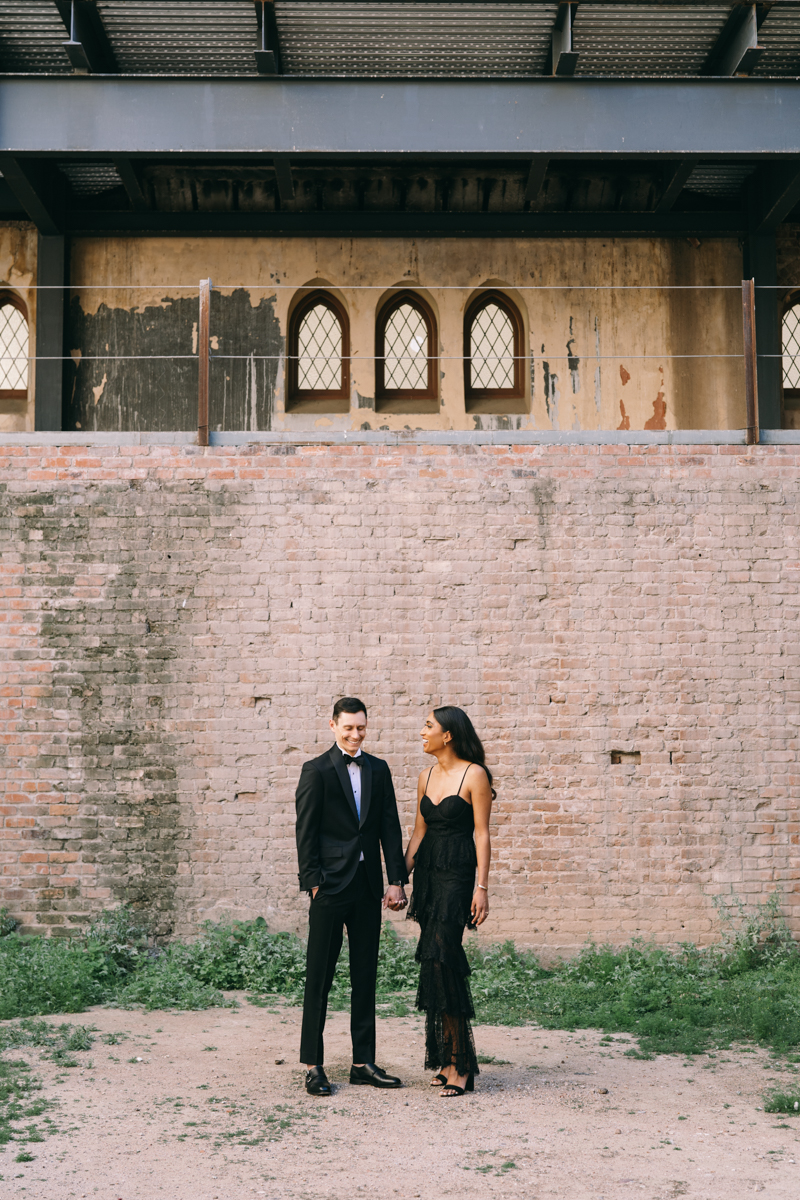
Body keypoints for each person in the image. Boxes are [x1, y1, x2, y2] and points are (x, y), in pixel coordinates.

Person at [295, 697, 409, 1096]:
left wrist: (396, 879)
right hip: (328, 888)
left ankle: (363, 1062)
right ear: (333, 726)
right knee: (319, 979)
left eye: (361, 727)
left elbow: (390, 827)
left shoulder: (378, 769)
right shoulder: (317, 770)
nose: (355, 734)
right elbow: (305, 832)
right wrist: (313, 883)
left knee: (365, 977)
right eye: (348, 728)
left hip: (366, 886)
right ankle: (313, 1065)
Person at [405, 706, 494, 1098]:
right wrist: (395, 880)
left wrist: (482, 887)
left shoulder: (474, 774)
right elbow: (418, 833)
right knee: (432, 964)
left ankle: (462, 1065)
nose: (422, 732)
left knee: (444, 957)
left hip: (458, 877)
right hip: (427, 876)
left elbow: (482, 834)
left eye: (428, 726)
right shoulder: (425, 776)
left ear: (449, 735)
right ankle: (444, 1058)